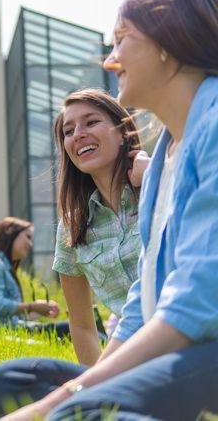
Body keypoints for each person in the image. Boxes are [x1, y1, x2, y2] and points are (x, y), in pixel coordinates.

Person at [0, 0, 218, 420]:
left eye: (122, 40)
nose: (111, 60)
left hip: (208, 346)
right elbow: (139, 304)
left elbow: (197, 306)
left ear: (169, 43)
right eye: (68, 131)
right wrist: (88, 383)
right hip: (167, 344)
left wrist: (69, 396)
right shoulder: (166, 159)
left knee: (75, 412)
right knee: (6, 387)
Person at [51, 89, 148, 365]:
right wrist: (95, 389)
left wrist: (152, 173)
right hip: (128, 355)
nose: (78, 134)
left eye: (91, 122)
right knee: (4, 381)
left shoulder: (161, 183)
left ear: (122, 132)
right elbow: (82, 325)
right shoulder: (71, 227)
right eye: (68, 131)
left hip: (184, 342)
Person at [0, 217, 68, 339]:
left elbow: (8, 315)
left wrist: (38, 310)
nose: (30, 244)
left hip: (9, 330)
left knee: (69, 328)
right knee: (69, 329)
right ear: (10, 232)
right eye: (28, 237)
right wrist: (31, 306)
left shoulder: (1, 266)